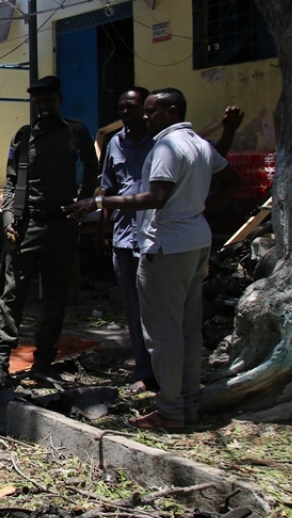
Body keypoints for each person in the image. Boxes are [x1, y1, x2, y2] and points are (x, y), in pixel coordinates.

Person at [69, 89, 241, 430]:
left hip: (165, 248)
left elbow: (156, 196)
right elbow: (231, 182)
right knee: (188, 329)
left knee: (163, 334)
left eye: (152, 112)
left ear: (172, 110)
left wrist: (101, 203)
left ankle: (171, 410)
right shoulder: (199, 144)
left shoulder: (166, 146)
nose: (146, 118)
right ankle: (189, 402)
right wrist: (196, 213)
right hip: (195, 243)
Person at [0, 76, 99, 388]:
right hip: (26, 224)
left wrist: (84, 201)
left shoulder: (76, 132)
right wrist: (8, 216)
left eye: (49, 100)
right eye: (39, 102)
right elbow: (10, 181)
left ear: (59, 99)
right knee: (12, 296)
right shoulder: (23, 137)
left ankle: (44, 362)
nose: (44, 106)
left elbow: (92, 166)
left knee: (55, 296)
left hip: (62, 224)